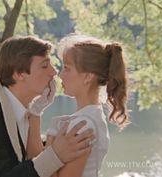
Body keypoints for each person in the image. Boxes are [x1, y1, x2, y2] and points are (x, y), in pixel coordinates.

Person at [0, 36, 94, 177]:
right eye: (44, 66)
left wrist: (36, 112)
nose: (53, 72)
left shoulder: (24, 115)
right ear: (19, 74)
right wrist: (54, 156)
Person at [44, 35, 130, 177]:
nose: (61, 75)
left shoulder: (82, 125)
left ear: (88, 77)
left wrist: (51, 139)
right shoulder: (91, 116)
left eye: (67, 68)